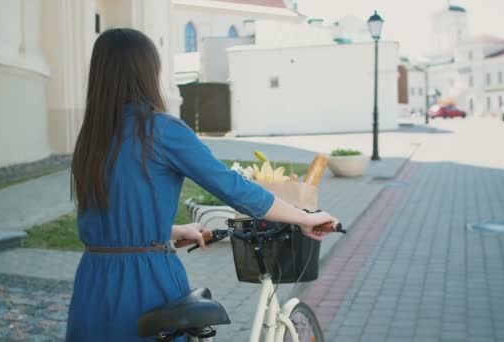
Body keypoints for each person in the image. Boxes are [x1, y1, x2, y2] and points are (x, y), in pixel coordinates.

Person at [66, 28, 338, 341]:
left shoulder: (91, 139)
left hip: (92, 281)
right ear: (147, 73)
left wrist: (168, 231)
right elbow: (234, 188)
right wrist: (305, 218)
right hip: (145, 281)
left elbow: (105, 216)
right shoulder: (160, 130)